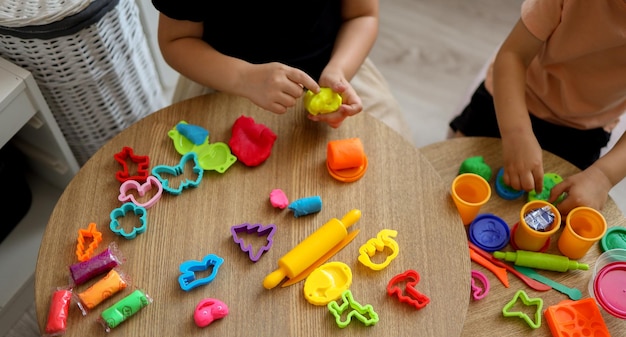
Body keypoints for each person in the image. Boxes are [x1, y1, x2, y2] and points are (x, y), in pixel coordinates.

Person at [449, 0, 626, 215]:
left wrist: (603, 176)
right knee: (450, 178)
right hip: (514, 96)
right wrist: (516, 132)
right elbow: (513, 55)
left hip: (583, 131)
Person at [150, 0, 411, 139]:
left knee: (388, 145)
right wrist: (243, 78)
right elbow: (176, 41)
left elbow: (362, 15)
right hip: (222, 79)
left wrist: (339, 71)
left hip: (332, 65)